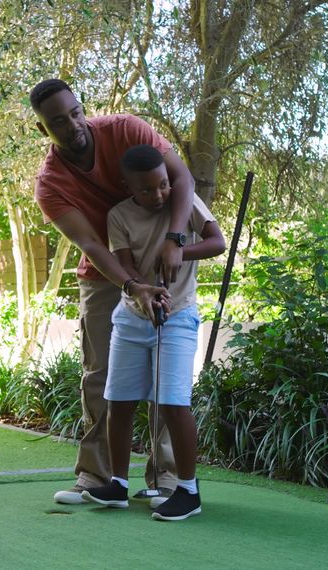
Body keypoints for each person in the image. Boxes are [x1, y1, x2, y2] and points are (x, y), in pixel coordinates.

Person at [31, 78, 197, 506]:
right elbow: (90, 244)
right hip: (105, 276)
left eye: (74, 112)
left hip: (161, 261)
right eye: (58, 123)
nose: (72, 125)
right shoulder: (50, 183)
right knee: (101, 376)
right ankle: (98, 478)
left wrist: (175, 240)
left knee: (165, 380)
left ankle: (167, 480)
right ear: (43, 130)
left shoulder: (127, 130)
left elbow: (182, 180)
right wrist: (131, 285)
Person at [81, 144, 225, 521]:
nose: (158, 194)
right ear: (129, 188)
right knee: (120, 401)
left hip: (177, 316)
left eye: (162, 184)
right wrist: (145, 295)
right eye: (147, 189)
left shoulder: (185, 201)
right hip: (131, 317)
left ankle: (188, 491)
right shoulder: (118, 216)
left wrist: (178, 251)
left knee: (174, 403)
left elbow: (218, 241)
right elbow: (126, 267)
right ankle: (117, 484)